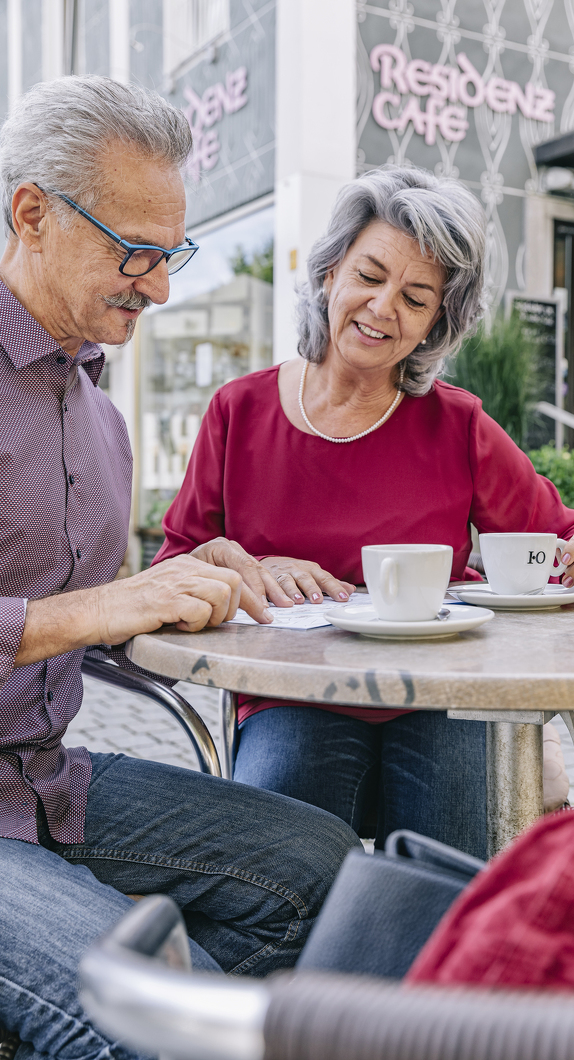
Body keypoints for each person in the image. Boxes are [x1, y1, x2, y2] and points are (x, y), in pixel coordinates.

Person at [0, 75, 359, 1060]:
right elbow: (69, 610)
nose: (160, 287)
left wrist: (201, 583)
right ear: (32, 212)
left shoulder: (99, 414)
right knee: (155, 1016)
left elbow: (75, 612)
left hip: (44, 778)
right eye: (136, 252)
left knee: (319, 863)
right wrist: (104, 604)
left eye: (173, 253)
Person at [155, 165, 574, 861]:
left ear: (436, 322)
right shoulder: (239, 410)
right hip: (290, 695)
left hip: (443, 691)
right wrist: (241, 564)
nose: (383, 309)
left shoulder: (458, 423)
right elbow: (175, 565)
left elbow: (554, 542)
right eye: (370, 276)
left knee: (455, 868)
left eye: (415, 298)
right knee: (270, 867)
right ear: (329, 276)